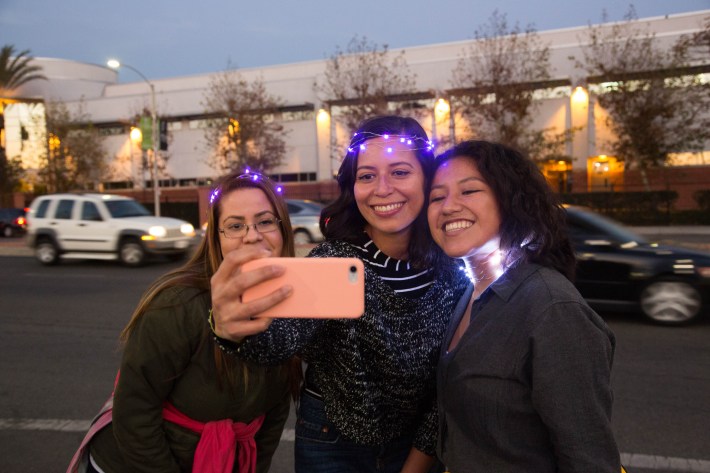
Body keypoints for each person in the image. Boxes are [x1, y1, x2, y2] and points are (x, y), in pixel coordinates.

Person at [210, 116, 469, 473]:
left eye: (399, 172)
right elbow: (281, 340)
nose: (382, 188)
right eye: (366, 176)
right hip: (331, 441)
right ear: (353, 186)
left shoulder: (453, 272)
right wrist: (230, 328)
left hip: (416, 445)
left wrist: (416, 463)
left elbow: (448, 386)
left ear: (427, 178)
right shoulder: (335, 261)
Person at [75, 170, 299, 473]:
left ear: (283, 229)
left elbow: (272, 418)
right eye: (235, 225)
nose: (252, 235)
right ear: (215, 240)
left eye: (265, 221)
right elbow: (135, 414)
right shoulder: (176, 303)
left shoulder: (290, 307)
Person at [427, 140, 621, 472]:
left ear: (510, 200)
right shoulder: (468, 295)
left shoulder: (551, 308)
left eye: (469, 191)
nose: (448, 207)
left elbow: (589, 459)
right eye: (436, 197)